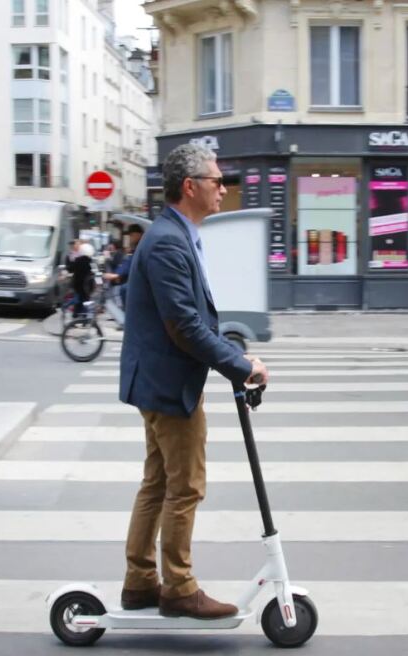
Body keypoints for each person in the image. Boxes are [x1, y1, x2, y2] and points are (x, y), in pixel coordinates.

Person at [118, 143, 269, 619]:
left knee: (157, 484)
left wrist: (232, 354)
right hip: (168, 384)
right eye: (216, 181)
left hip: (161, 380)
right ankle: (178, 587)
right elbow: (182, 326)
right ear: (190, 187)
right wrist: (241, 366)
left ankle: (140, 581)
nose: (223, 189)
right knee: (184, 488)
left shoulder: (177, 236)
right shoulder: (167, 241)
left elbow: (190, 319)